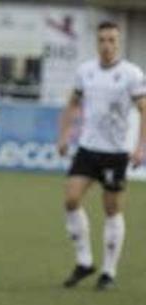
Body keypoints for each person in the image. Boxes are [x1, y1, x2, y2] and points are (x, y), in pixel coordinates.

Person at [57, 20, 146, 290]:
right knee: (71, 199)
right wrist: (64, 135)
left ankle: (108, 271)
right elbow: (73, 103)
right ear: (96, 43)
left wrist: (141, 146)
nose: (107, 45)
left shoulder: (131, 74)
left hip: (115, 153)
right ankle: (84, 261)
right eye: (102, 40)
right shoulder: (86, 71)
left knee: (111, 209)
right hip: (87, 148)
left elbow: (144, 109)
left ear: (118, 43)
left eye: (112, 40)